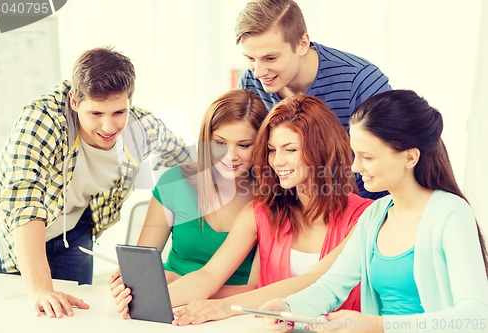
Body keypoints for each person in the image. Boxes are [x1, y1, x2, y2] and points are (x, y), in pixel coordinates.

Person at [111, 94, 373, 322]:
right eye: (271, 150)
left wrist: (225, 307)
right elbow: (209, 275)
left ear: (320, 150)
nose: (278, 160)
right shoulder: (264, 211)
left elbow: (316, 280)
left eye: (290, 149)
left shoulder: (366, 216)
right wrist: (145, 300)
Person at [260, 90, 488, 333]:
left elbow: (475, 317)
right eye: (355, 154)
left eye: (367, 157)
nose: (356, 167)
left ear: (409, 157)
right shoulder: (375, 214)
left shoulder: (451, 214)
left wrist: (376, 326)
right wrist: (286, 307)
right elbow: (332, 286)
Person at [0, 47, 191, 319]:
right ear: (74, 100)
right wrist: (39, 288)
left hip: (74, 232)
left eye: (119, 112)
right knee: (14, 318)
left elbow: (184, 163)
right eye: (96, 114)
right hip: (12, 235)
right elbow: (24, 203)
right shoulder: (42, 119)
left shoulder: (144, 128)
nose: (108, 127)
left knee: (74, 318)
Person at [107, 88, 268, 317]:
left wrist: (178, 285)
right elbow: (143, 266)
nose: (230, 156)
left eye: (244, 145)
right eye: (220, 143)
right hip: (168, 300)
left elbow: (256, 289)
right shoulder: (175, 182)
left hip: (230, 310)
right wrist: (132, 284)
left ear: (261, 144)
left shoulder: (269, 199)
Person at [235, 0, 391, 200]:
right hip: (289, 208)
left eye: (270, 58)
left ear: (302, 44)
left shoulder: (360, 81)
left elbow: (384, 162)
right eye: (250, 59)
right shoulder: (250, 83)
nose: (258, 72)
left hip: (361, 208)